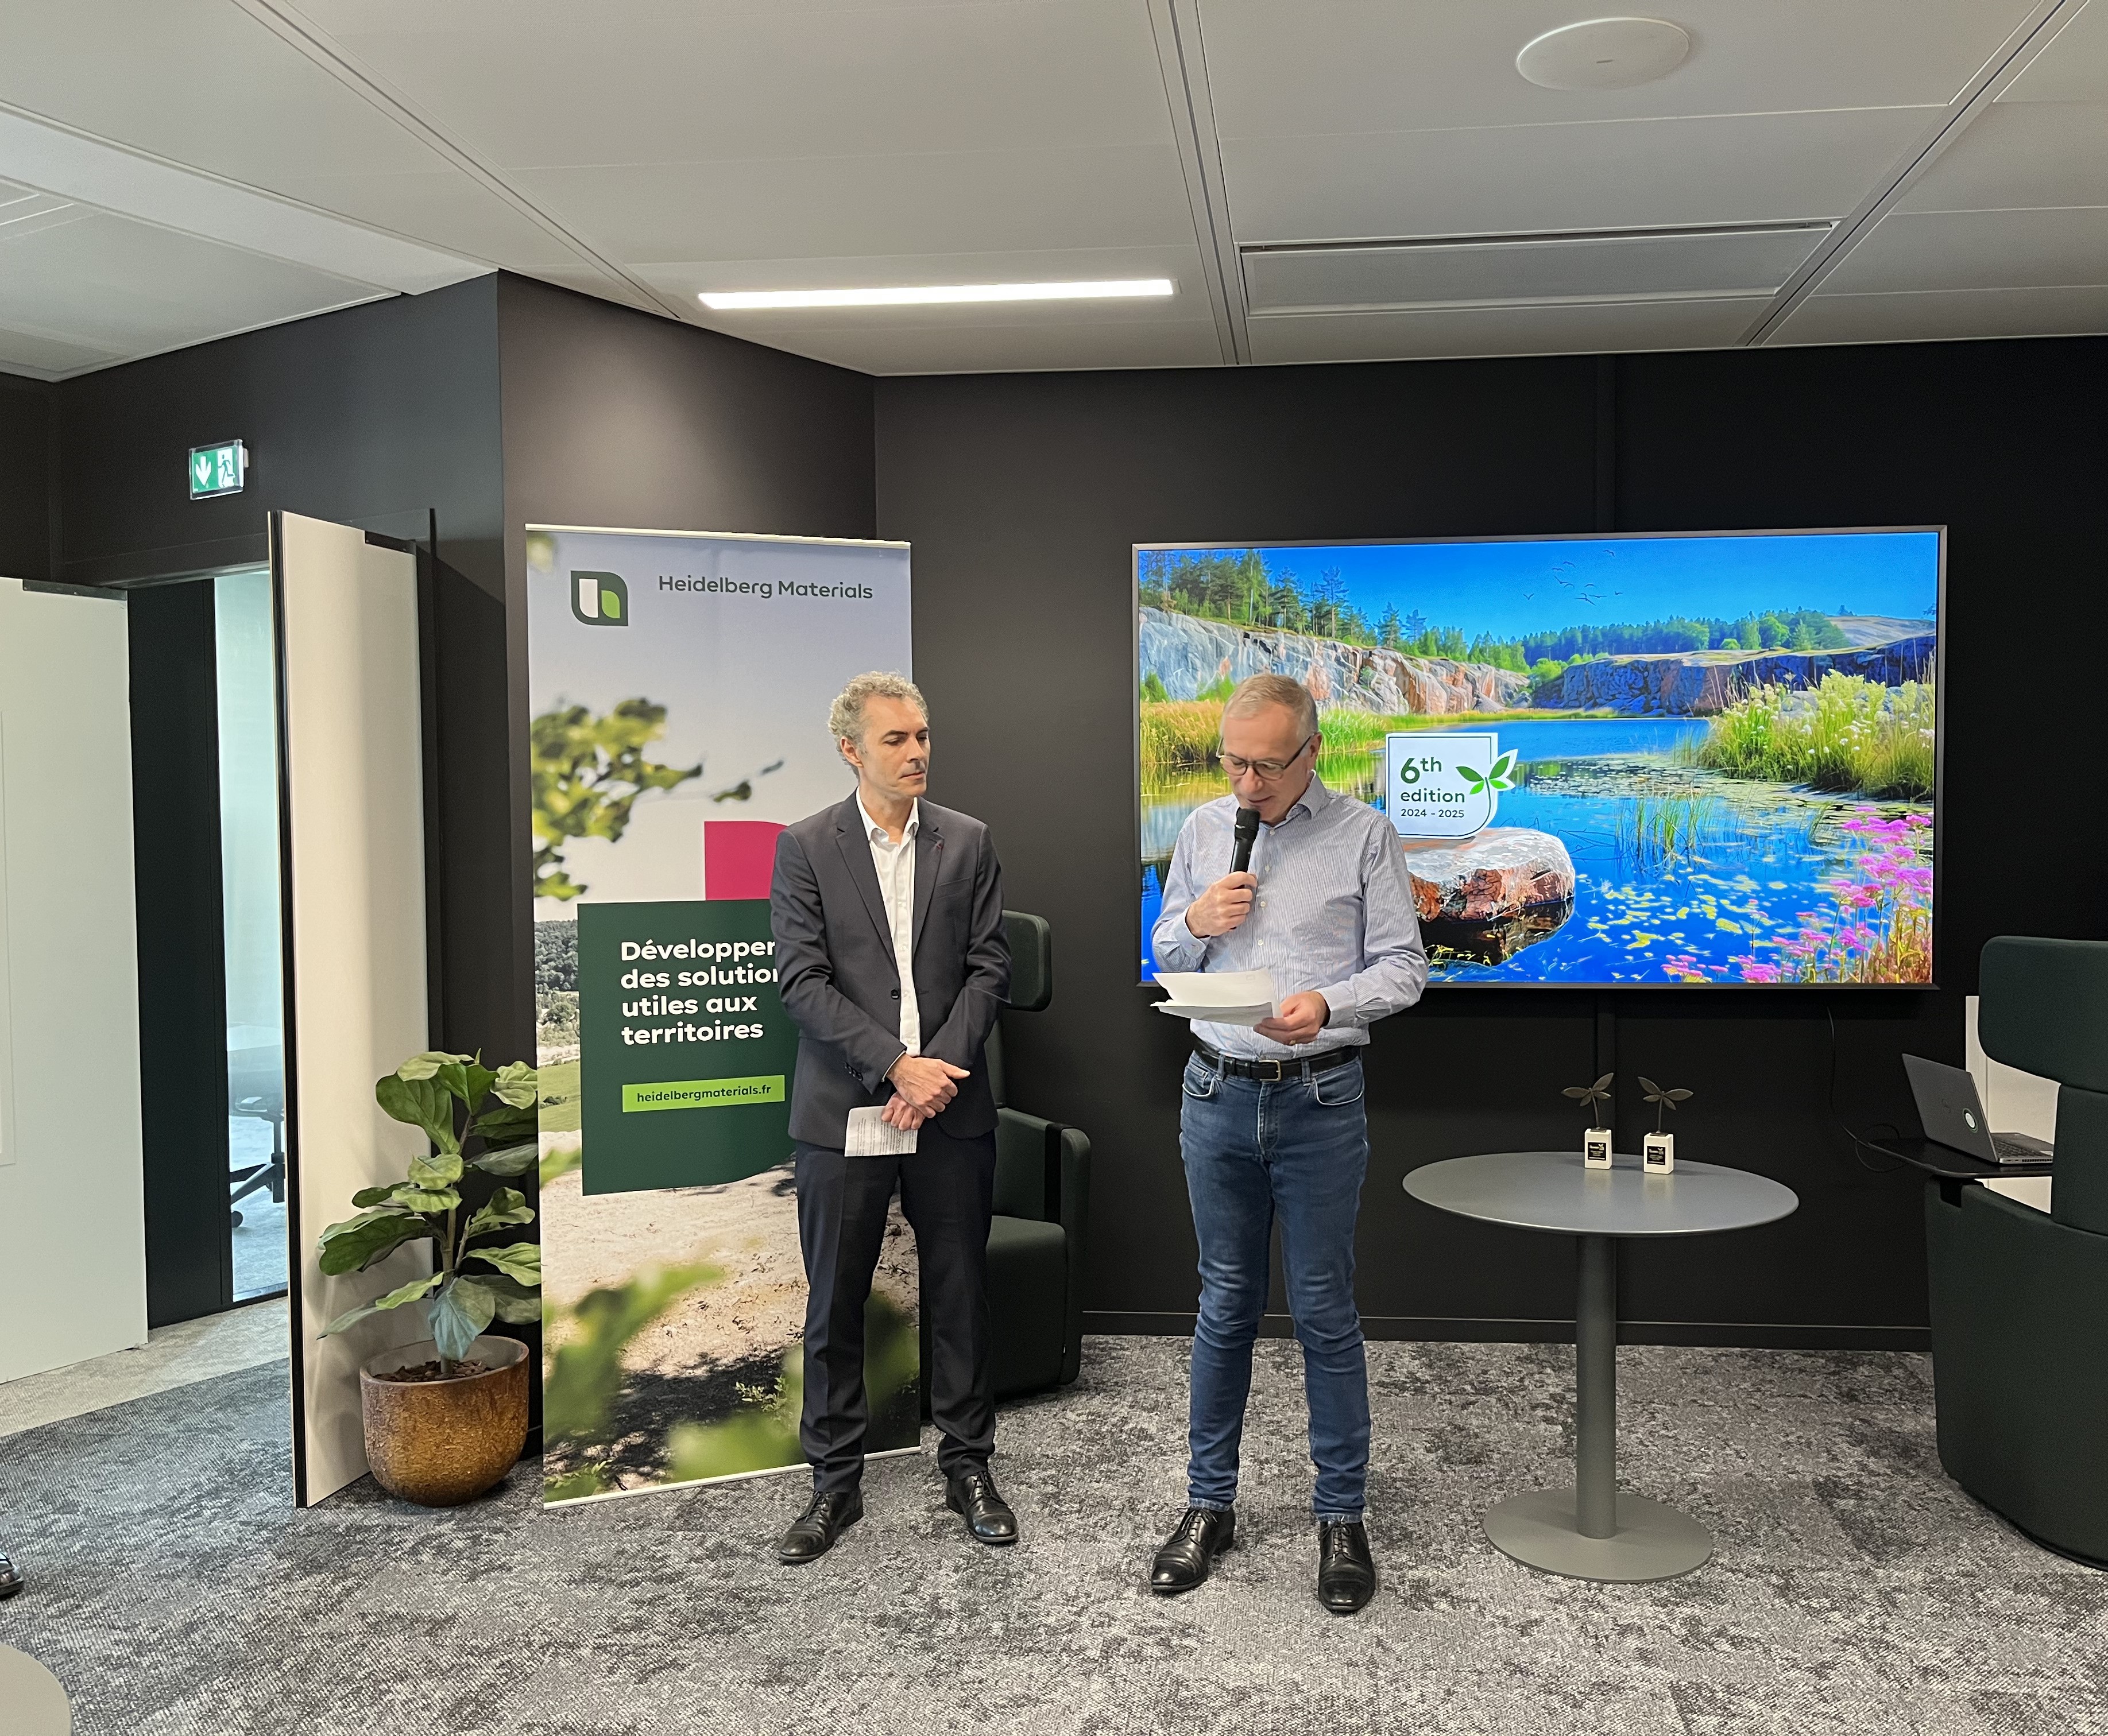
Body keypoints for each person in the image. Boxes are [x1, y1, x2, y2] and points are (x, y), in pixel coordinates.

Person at [1146, 672, 1428, 1615]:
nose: (1247, 784)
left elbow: (1405, 969)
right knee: (1224, 1305)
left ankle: (1341, 1517)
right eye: (1234, 762)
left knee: (1323, 1310)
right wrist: (1194, 921)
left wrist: (1328, 1003)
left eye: (1267, 766)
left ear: (1313, 752)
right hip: (1215, 1093)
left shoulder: (1365, 834)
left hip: (1319, 1097)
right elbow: (1167, 955)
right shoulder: (1201, 830)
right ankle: (1208, 1506)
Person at [768, 671, 1013, 1564]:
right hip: (847, 1110)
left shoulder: (968, 840)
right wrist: (894, 1065)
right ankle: (834, 1482)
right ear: (851, 751)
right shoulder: (806, 847)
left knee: (959, 1293)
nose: (917, 753)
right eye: (896, 740)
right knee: (835, 1301)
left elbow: (990, 968)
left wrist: (932, 1073)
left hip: (948, 1106)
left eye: (923, 736)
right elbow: (802, 982)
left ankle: (968, 1465)